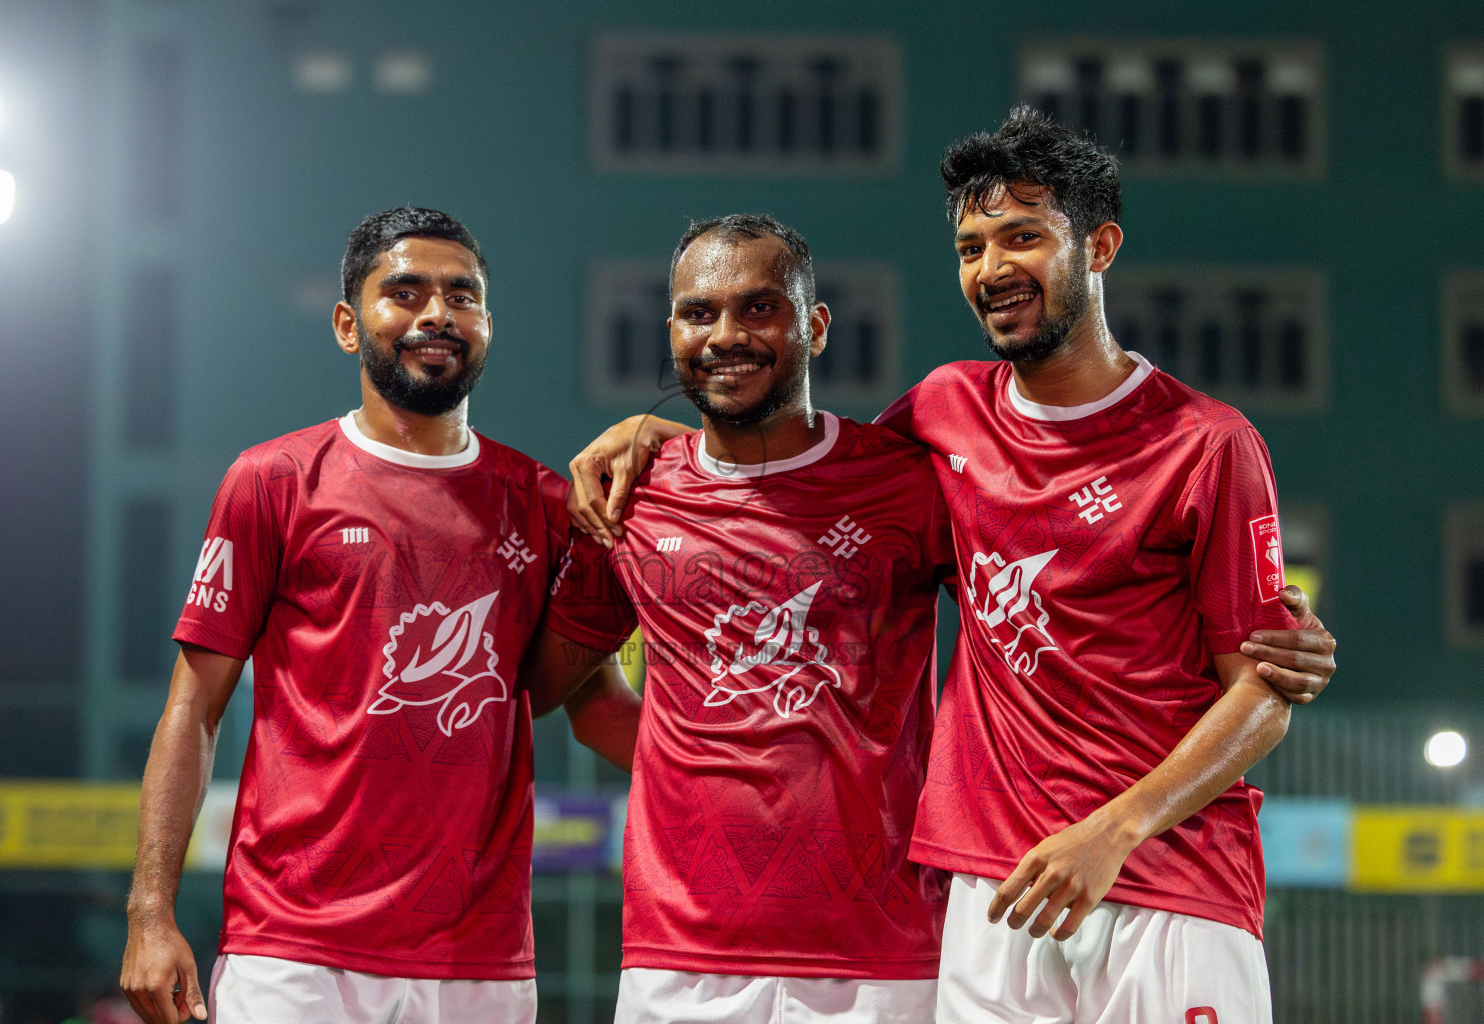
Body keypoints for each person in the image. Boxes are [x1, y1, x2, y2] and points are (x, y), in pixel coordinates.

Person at [524, 214, 1334, 1024]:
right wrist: (699, 767)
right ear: (671, 329)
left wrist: (1271, 630)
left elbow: (1064, 571)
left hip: (891, 953)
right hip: (678, 953)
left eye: (760, 308)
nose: (727, 334)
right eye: (699, 314)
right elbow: (563, 689)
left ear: (815, 324)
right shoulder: (624, 498)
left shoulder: (906, 478)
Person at [119, 207, 619, 1024]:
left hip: (480, 961)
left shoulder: (546, 505)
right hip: (293, 952)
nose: (437, 313)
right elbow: (193, 708)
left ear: (487, 324)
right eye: (406, 292)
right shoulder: (272, 480)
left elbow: (583, 695)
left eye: (463, 296)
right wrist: (150, 913)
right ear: (350, 325)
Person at [872, 106, 1310, 1023]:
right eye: (970, 247)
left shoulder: (1209, 444)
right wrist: (657, 438)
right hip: (998, 887)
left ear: (1100, 246)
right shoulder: (942, 409)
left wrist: (1114, 831)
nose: (991, 270)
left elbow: (1262, 694)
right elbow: (809, 486)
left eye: (1023, 237)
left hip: (1171, 881)